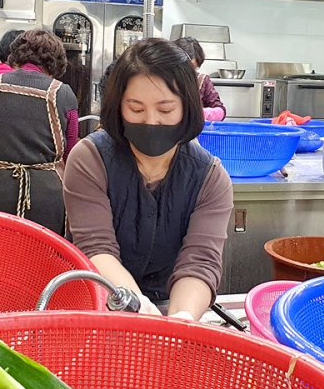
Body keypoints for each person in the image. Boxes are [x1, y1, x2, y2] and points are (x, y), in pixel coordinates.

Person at [63, 38, 234, 321]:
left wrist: (182, 318)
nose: (151, 121)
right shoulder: (90, 159)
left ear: (187, 107)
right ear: (118, 107)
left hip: (168, 305)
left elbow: (199, 263)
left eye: (165, 110)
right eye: (136, 109)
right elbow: (96, 247)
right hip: (96, 304)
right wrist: (136, 305)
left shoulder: (210, 178)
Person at [0, 29, 78, 235]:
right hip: (48, 195)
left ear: (14, 56)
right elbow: (70, 154)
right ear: (57, 64)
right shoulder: (63, 93)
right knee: (44, 260)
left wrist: (3, 151)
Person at [174, 36, 226, 121]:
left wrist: (201, 114)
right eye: (184, 67)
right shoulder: (164, 80)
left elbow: (220, 110)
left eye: (193, 67)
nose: (188, 71)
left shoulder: (202, 80)